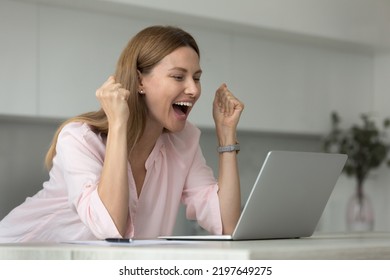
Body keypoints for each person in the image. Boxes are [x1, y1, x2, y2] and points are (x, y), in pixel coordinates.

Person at [0, 25, 244, 242]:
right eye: (178, 77)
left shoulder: (184, 141)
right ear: (140, 81)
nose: (193, 89)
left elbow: (227, 224)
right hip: (18, 256)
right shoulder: (79, 138)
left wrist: (226, 137)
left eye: (197, 78)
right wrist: (118, 125)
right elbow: (110, 227)